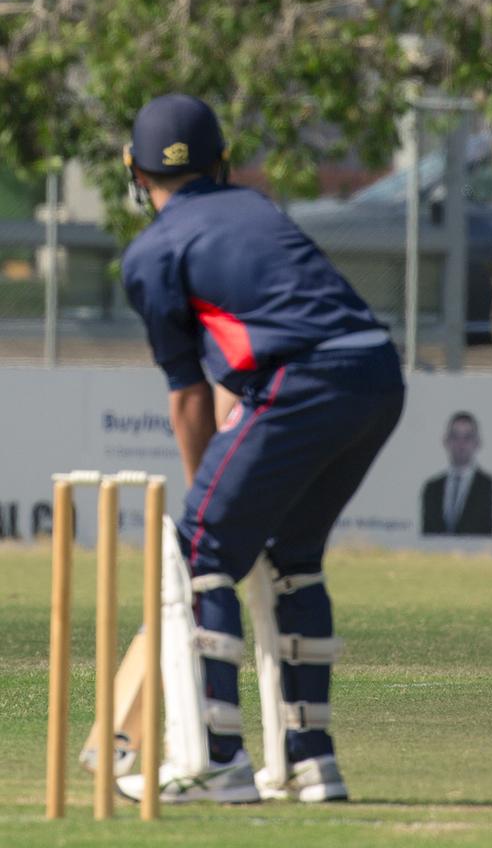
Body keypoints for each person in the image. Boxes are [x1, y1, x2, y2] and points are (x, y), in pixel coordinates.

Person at [116, 93, 405, 802]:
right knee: (291, 559)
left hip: (302, 381)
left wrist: (209, 521)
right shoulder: (258, 208)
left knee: (196, 557)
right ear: (221, 162)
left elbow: (189, 394)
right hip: (376, 372)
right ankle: (310, 762)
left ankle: (216, 761)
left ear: (133, 169)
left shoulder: (152, 250)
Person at [421, 411, 492, 536]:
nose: (461, 444)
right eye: (455, 437)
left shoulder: (489, 487)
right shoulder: (432, 488)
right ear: (446, 441)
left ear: (477, 443)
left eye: (467, 438)